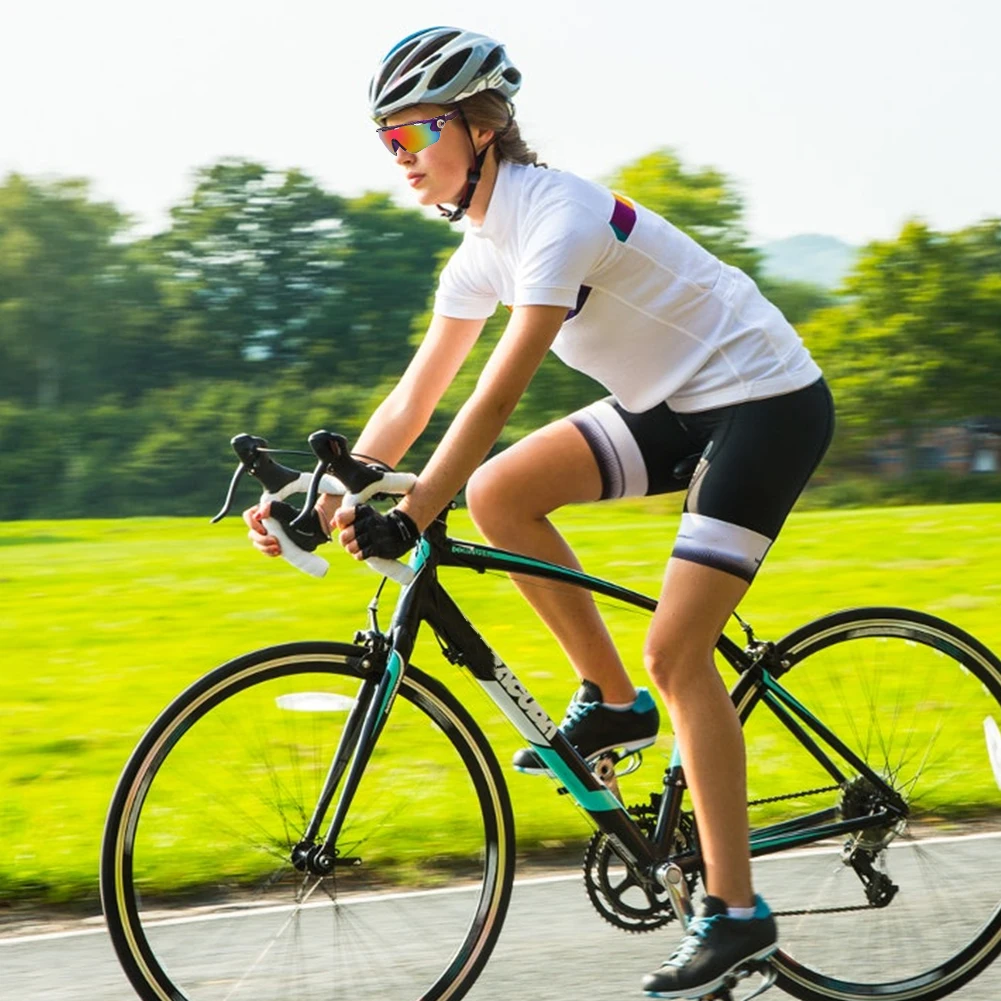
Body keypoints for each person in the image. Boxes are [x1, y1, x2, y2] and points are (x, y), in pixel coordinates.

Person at [244, 26, 835, 1000]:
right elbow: (410, 401)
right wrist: (316, 497)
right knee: (500, 494)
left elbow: (497, 388)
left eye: (411, 137)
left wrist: (415, 503)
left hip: (760, 401)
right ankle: (609, 705)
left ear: (479, 126)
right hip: (672, 403)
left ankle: (735, 912)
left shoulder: (553, 214)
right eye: (384, 143)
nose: (399, 161)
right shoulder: (479, 252)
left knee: (678, 651)